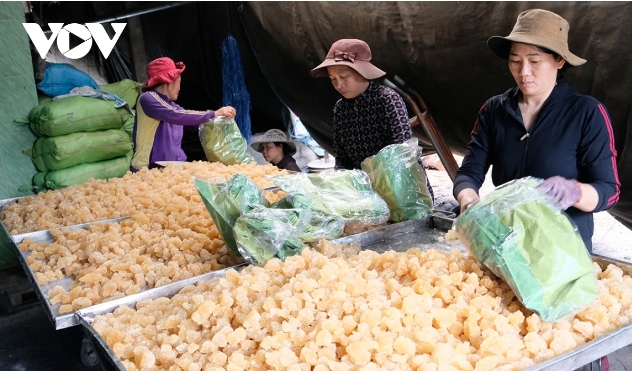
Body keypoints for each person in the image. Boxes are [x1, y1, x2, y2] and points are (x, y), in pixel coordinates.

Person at [453, 8, 620, 254]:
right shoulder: (494, 110)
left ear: (559, 60)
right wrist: (469, 199)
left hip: (563, 255)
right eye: (515, 60)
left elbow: (610, 190)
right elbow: (469, 171)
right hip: (507, 247)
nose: (523, 72)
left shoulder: (586, 112)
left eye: (534, 60)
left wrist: (575, 191)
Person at [310, 38, 434, 201]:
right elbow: (342, 157)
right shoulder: (340, 108)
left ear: (362, 72)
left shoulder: (387, 100)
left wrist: (381, 184)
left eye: (344, 77)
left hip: (402, 191)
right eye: (333, 79)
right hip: (364, 195)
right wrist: (342, 188)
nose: (338, 84)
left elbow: (403, 154)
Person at [131, 57, 237, 171]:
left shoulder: (174, 106)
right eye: (179, 82)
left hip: (172, 169)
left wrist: (220, 122)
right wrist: (214, 113)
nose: (180, 88)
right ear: (169, 80)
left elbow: (194, 122)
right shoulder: (147, 99)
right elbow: (176, 115)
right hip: (147, 170)